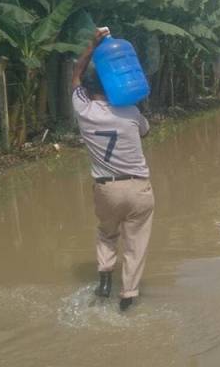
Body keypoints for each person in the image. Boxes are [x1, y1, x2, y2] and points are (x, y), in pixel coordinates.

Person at [71, 27, 154, 312]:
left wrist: (93, 45)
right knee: (136, 242)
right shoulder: (130, 112)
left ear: (88, 90)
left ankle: (105, 279)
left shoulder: (83, 110)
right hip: (139, 187)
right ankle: (128, 295)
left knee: (107, 233)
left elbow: (76, 73)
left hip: (106, 188)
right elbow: (145, 131)